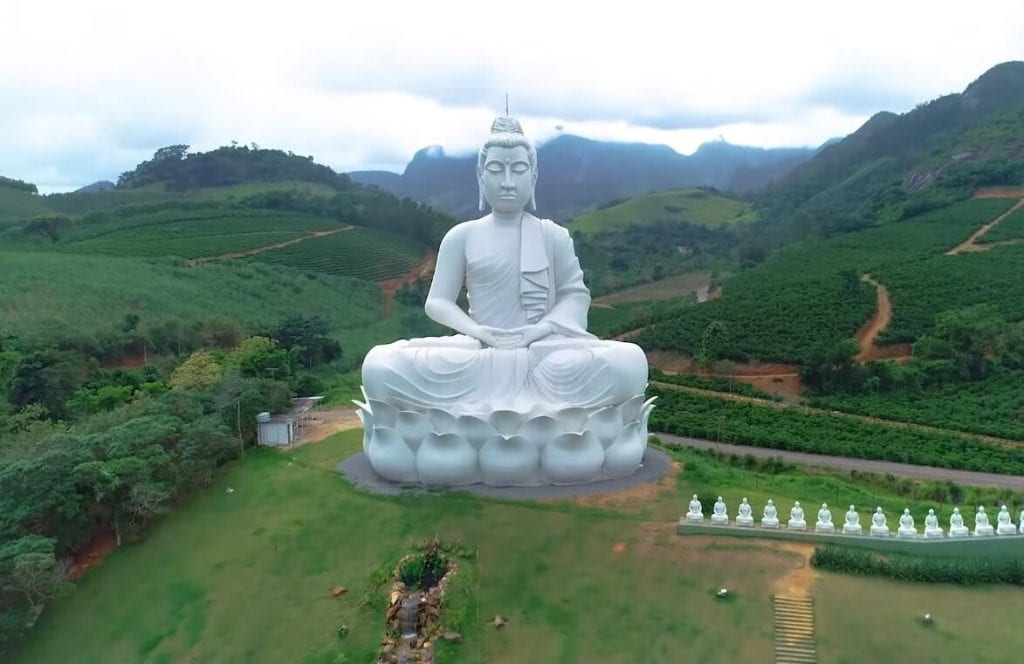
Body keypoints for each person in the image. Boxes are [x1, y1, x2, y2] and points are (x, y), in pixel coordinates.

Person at [361, 116, 647, 412]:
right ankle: (543, 413)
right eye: (496, 170)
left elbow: (575, 298)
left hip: (542, 353)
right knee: (380, 366)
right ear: (480, 175)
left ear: (533, 176)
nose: (507, 182)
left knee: (628, 363)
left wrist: (539, 330)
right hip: (479, 351)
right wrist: (479, 332)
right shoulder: (461, 236)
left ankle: (472, 412)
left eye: (518, 170)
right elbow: (437, 302)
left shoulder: (553, 235)